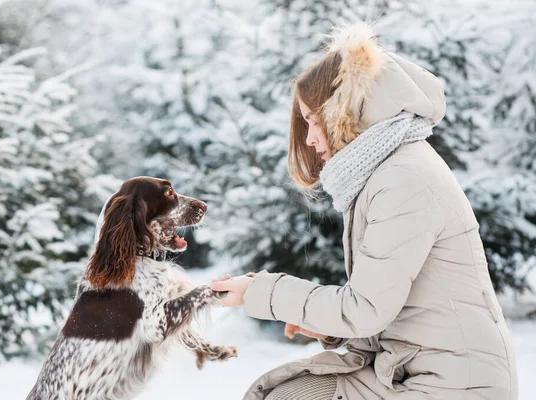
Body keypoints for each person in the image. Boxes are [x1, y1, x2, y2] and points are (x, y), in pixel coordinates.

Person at [210, 22, 518, 400]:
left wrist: (257, 291)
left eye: (312, 121)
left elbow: (365, 307)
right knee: (287, 393)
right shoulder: (383, 171)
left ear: (342, 112)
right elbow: (387, 302)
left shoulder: (404, 178)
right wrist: (329, 329)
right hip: (409, 368)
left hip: (454, 384)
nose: (309, 138)